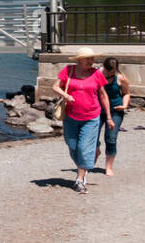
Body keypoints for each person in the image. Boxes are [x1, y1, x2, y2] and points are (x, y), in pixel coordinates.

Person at [52, 47, 114, 194]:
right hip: (71, 117)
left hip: (91, 117)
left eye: (92, 59)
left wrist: (109, 117)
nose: (91, 62)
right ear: (79, 60)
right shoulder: (68, 70)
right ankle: (88, 160)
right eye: (88, 59)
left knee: (83, 148)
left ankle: (80, 179)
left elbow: (103, 95)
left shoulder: (96, 74)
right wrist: (66, 96)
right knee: (72, 145)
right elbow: (55, 86)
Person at [94, 57, 131, 176]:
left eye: (112, 71)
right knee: (91, 136)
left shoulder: (120, 78)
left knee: (111, 138)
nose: (110, 73)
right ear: (103, 67)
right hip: (98, 110)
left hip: (116, 110)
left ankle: (108, 167)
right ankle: (96, 150)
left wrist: (124, 106)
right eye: (108, 71)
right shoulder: (96, 74)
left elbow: (126, 94)